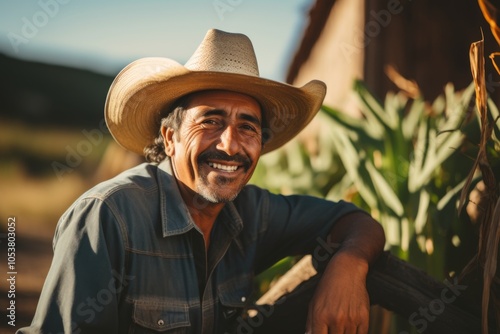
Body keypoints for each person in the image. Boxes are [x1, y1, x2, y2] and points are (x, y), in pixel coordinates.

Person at [18, 29, 385, 334]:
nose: (230, 145)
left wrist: (350, 265)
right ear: (170, 137)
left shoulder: (253, 212)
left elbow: (355, 222)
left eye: (247, 127)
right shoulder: (108, 217)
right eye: (210, 121)